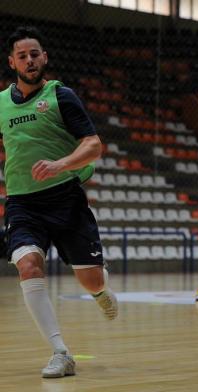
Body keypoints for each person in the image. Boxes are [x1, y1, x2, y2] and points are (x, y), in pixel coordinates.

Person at [0, 26, 118, 378]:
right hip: (22, 204)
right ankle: (61, 352)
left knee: (91, 280)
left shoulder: (60, 95)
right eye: (22, 55)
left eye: (35, 54)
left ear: (45, 57)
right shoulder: (2, 103)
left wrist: (60, 164)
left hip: (65, 200)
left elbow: (93, 145)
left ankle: (101, 291)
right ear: (12, 62)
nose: (29, 60)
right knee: (29, 267)